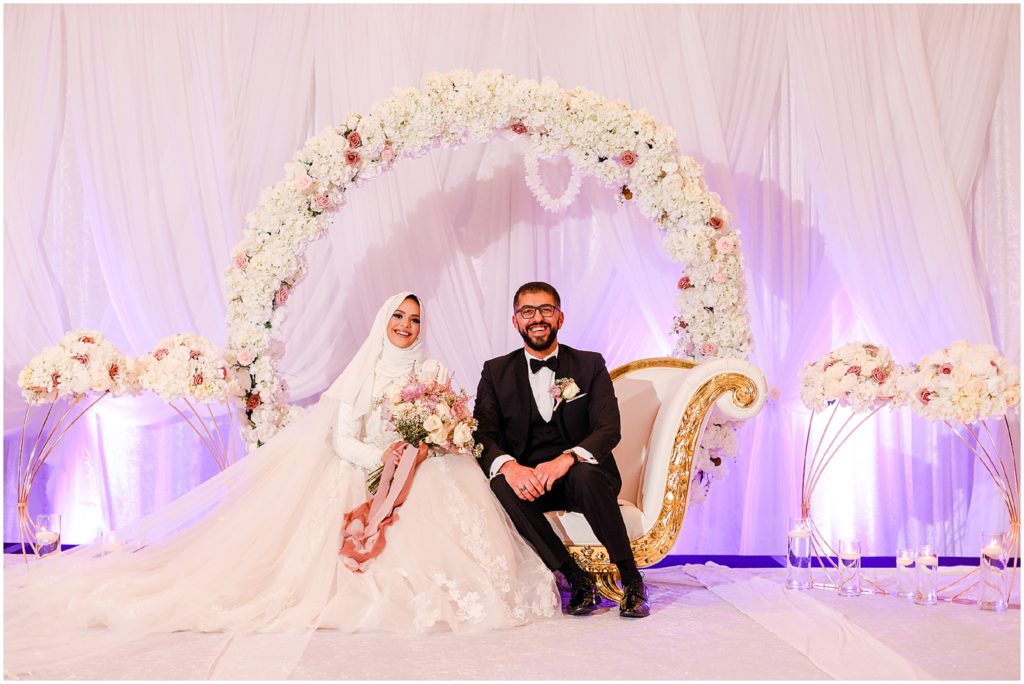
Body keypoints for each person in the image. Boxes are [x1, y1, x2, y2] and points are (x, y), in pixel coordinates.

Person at [4, 292, 559, 676]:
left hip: (416, 466)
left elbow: (441, 426)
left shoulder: (432, 371)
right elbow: (342, 438)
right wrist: (381, 459)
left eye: (415, 320)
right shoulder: (360, 370)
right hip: (364, 468)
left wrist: (432, 442)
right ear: (383, 321)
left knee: (448, 476)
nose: (407, 328)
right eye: (399, 318)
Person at [473, 281, 651, 618]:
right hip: (532, 481)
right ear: (515, 321)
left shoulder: (589, 365)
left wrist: (566, 458)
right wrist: (510, 466)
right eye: (527, 311)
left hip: (584, 477)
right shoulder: (495, 371)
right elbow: (482, 432)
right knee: (500, 483)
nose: (537, 318)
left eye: (546, 310)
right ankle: (576, 579)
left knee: (584, 475)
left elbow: (608, 429)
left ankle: (631, 581)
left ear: (560, 317)